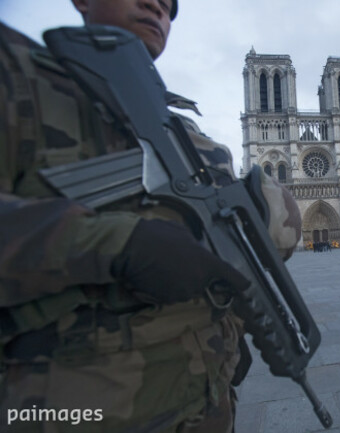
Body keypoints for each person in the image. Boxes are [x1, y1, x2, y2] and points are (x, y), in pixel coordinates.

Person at [0, 2, 301, 432]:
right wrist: (115, 245)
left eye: (171, 2)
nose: (158, 5)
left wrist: (229, 327)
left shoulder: (190, 134)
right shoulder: (14, 74)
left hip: (205, 408)